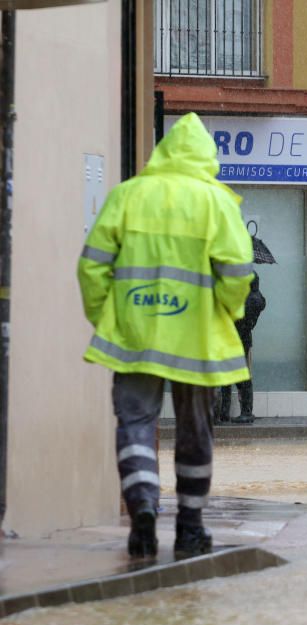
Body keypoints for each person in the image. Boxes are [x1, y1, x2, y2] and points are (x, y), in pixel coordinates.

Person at [77, 112, 254, 559]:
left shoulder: (128, 195)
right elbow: (237, 272)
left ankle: (142, 515)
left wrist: (107, 318)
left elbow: (91, 265)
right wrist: (227, 312)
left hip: (135, 335)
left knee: (135, 425)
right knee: (196, 432)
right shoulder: (216, 202)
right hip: (197, 339)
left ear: (163, 152)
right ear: (207, 159)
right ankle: (191, 528)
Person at [217, 272, 266, 425]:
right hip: (240, 341)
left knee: (238, 378)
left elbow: (236, 319)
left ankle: (241, 412)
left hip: (237, 341)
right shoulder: (256, 298)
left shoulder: (250, 299)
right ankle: (229, 412)